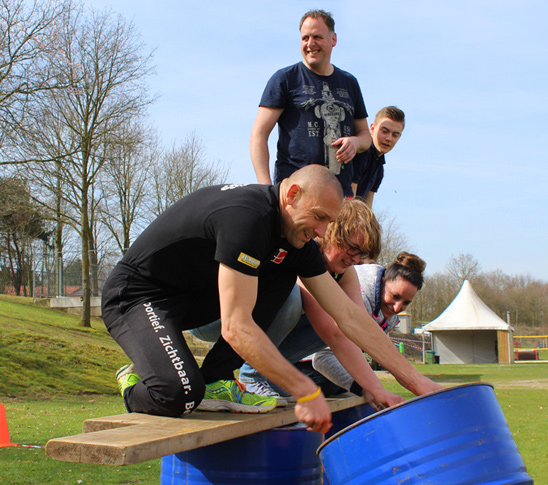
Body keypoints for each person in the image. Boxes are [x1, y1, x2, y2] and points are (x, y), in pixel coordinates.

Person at [103, 165, 441, 434]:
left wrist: (415, 382)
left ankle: (216, 380)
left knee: (281, 275)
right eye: (320, 217)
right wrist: (305, 390)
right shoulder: (247, 218)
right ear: (292, 194)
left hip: (191, 300)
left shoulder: (297, 242)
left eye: (329, 221)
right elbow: (236, 327)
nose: (323, 232)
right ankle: (136, 380)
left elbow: (349, 318)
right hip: (137, 296)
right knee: (180, 395)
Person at [193, 200, 438, 412]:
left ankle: (260, 375)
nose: (355, 259)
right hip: (213, 317)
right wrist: (373, 386)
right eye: (352, 248)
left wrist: (383, 386)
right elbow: (332, 331)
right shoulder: (307, 255)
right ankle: (252, 375)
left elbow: (356, 325)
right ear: (332, 233)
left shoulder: (347, 273)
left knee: (339, 320)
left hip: (247, 326)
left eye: (361, 254)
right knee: (291, 299)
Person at [250, 9, 372, 196]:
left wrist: (355, 142)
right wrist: (266, 189)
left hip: (340, 195)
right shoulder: (285, 79)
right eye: (305, 38)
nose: (310, 44)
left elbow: (365, 135)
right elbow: (259, 134)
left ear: (333, 39)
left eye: (317, 37)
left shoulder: (349, 83)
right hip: (296, 193)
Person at [313, 252, 427, 395]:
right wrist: (367, 389)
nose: (397, 308)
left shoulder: (386, 313)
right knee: (344, 384)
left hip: (323, 364)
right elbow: (322, 358)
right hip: (299, 359)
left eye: (406, 302)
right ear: (384, 281)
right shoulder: (359, 297)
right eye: (395, 296)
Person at [352, 106, 405, 205]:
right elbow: (349, 202)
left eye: (395, 135)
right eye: (384, 131)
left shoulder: (379, 168)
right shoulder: (360, 153)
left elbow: (367, 210)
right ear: (372, 128)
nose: (389, 138)